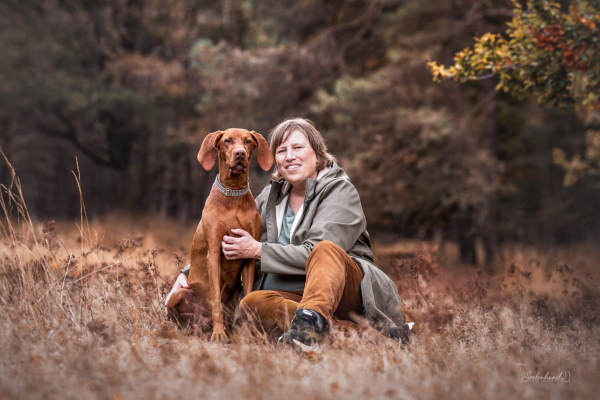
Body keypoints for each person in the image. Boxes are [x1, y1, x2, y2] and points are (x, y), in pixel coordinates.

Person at [165, 118, 410, 347]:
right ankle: (370, 337)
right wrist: (187, 273)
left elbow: (315, 254)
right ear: (274, 160)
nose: (289, 157)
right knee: (251, 303)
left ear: (317, 154)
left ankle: (313, 320)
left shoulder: (340, 191)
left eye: (298, 148)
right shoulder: (269, 198)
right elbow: (229, 238)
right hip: (291, 297)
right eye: (282, 151)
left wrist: (258, 249)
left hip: (344, 290)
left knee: (323, 249)